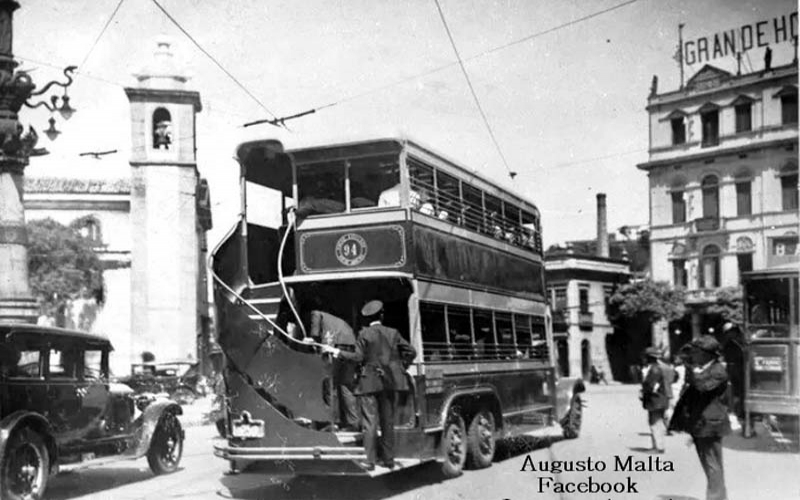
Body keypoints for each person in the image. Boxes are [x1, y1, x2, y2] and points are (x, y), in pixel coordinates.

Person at [322, 300, 416, 470]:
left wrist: (337, 352)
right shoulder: (393, 332)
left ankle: (370, 461)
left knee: (369, 423)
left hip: (368, 383)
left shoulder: (365, 334)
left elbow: (357, 357)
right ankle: (389, 460)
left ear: (367, 319)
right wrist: (399, 368)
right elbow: (411, 351)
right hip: (389, 382)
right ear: (381, 316)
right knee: (387, 422)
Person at [669, 335, 730, 500]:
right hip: (702, 423)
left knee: (712, 464)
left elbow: (702, 386)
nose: (692, 355)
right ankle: (719, 496)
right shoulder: (705, 369)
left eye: (696, 352)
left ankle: (716, 498)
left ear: (706, 354)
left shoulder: (718, 371)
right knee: (710, 463)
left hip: (710, 424)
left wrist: (689, 368)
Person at [309, 308, 359, 431]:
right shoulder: (338, 322)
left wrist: (312, 342)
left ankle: (330, 423)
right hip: (348, 349)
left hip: (334, 349)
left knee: (328, 386)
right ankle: (352, 423)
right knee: (345, 387)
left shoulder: (316, 314)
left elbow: (316, 336)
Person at [641, 347, 670, 453]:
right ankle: (658, 445)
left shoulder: (654, 369)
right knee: (658, 423)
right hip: (661, 399)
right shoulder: (659, 368)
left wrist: (644, 392)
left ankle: (658, 447)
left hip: (655, 400)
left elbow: (650, 385)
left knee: (655, 423)